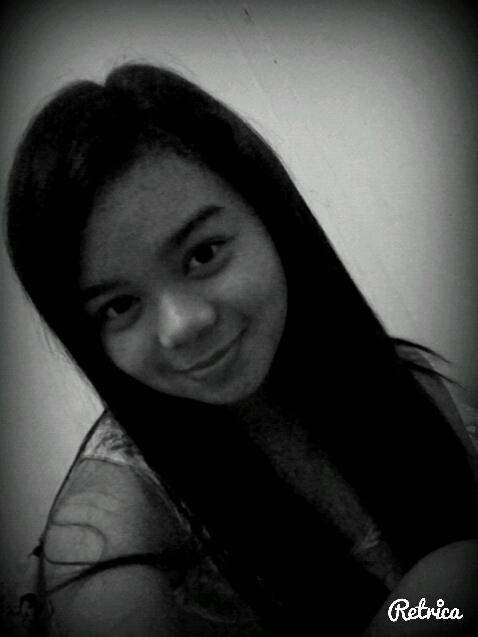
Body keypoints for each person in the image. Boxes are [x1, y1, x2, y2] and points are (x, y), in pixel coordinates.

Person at [5, 63, 478, 636]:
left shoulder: (405, 385)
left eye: (202, 254)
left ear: (271, 219)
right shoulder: (111, 538)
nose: (182, 326)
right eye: (119, 306)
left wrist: (436, 597)